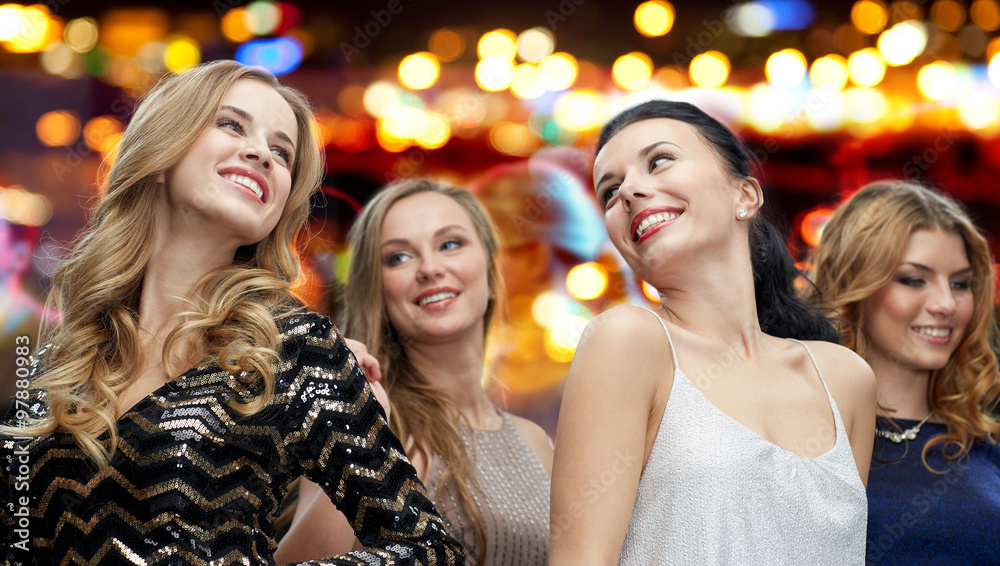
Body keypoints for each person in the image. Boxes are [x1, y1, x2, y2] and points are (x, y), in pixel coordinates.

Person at [0, 60, 464, 565]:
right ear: (160, 152)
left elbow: (429, 550)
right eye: (231, 124)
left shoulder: (296, 348)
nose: (262, 153)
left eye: (282, 153)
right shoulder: (60, 360)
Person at [549, 100, 877, 564]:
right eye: (609, 191)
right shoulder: (628, 341)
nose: (629, 192)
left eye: (659, 161)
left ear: (744, 195)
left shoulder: (845, 378)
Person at [277, 179, 552, 566]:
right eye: (399, 257)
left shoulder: (536, 441)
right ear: (377, 292)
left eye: (450, 244)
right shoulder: (365, 420)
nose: (430, 268)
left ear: (491, 274)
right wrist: (359, 433)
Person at [805, 180, 1000, 565]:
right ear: (854, 283)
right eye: (914, 279)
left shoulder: (987, 450)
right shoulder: (797, 439)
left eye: (960, 283)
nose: (946, 303)